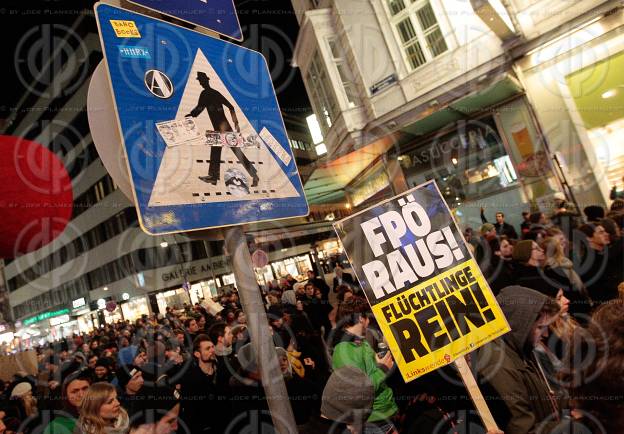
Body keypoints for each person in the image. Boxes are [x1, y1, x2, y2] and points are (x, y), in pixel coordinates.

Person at [477, 286, 563, 433]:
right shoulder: (498, 365)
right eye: (541, 327)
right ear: (519, 325)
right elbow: (522, 429)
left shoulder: (518, 348)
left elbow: (543, 399)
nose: (546, 334)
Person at [331, 298, 398, 432]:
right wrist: (382, 370)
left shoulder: (360, 342)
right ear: (361, 319)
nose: (369, 322)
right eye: (368, 318)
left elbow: (369, 370)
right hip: (370, 420)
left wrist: (380, 361)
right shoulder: (344, 350)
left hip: (379, 415)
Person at [185, 71, 259, 187]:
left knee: (236, 152)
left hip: (224, 128)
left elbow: (229, 106)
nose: (200, 83)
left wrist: (236, 123)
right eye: (199, 81)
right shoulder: (208, 93)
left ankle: (254, 175)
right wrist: (191, 115)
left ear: (206, 80)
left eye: (201, 81)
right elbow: (200, 108)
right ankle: (214, 177)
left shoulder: (208, 93)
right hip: (221, 128)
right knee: (217, 149)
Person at [180, 334, 227, 433]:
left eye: (213, 347)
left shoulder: (222, 370)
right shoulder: (190, 378)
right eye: (207, 348)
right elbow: (189, 409)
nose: (212, 350)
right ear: (197, 354)